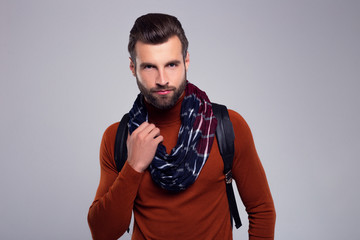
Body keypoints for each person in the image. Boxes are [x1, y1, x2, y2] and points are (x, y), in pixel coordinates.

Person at [88, 13, 276, 240]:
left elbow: (262, 210)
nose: (162, 79)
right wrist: (134, 166)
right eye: (149, 67)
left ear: (186, 61)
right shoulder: (118, 137)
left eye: (171, 64)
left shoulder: (226, 126)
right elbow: (102, 232)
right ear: (132, 67)